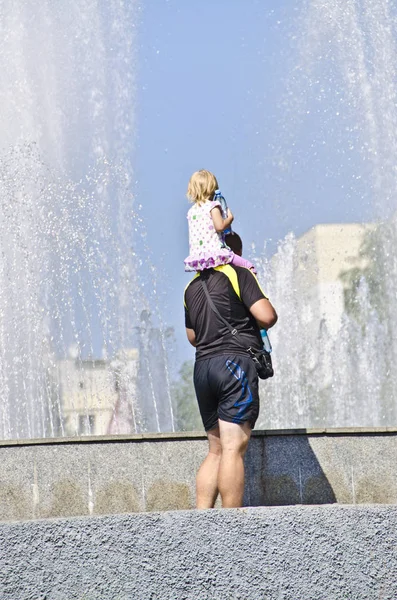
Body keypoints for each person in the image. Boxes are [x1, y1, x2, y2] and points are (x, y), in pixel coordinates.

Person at [184, 263, 277, 508]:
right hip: (233, 365)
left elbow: (192, 337)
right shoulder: (238, 274)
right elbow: (267, 316)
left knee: (215, 450)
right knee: (232, 447)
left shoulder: (190, 287)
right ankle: (231, 528)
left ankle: (201, 521)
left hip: (203, 369)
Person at [184, 170, 256, 273]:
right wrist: (230, 218)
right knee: (248, 266)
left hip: (198, 260)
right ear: (212, 188)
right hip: (216, 255)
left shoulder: (191, 211)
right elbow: (220, 226)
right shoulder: (213, 206)